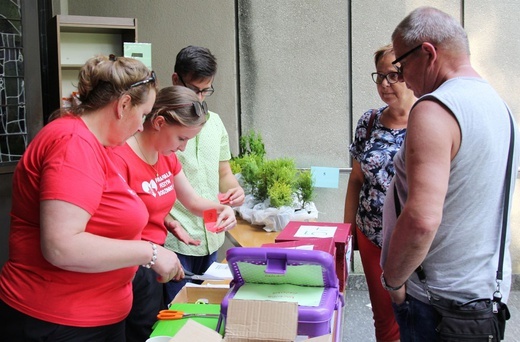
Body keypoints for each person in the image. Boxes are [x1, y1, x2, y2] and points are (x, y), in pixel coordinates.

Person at [0, 54, 184, 342]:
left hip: (95, 316)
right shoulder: (73, 144)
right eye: (144, 114)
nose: (141, 126)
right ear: (123, 105)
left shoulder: (102, 146)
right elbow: (62, 246)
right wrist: (150, 253)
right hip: (58, 320)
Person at [380, 6, 519, 341]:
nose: (402, 78)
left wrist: (394, 280)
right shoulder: (502, 109)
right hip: (482, 300)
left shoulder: (434, 109)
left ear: (428, 53)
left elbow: (422, 219)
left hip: (436, 305)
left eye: (401, 64)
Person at [110, 85, 237, 342]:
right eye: (181, 139)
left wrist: (222, 209)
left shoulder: (165, 156)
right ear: (158, 122)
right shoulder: (119, 158)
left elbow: (191, 200)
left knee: (152, 328)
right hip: (127, 263)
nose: (182, 148)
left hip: (154, 261)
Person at [344, 43, 415, 342]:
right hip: (372, 236)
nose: (385, 84)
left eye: (394, 75)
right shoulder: (368, 121)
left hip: (416, 244)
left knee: (418, 317)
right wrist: (346, 236)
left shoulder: (430, 121)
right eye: (380, 76)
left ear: (410, 75)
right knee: (384, 318)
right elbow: (356, 180)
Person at [164, 45, 245, 304]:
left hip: (211, 235)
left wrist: (235, 190)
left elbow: (224, 173)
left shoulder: (216, 123)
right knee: (176, 314)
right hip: (174, 239)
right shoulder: (161, 126)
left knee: (207, 313)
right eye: (194, 89)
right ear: (176, 80)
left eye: (206, 90)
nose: (200, 97)